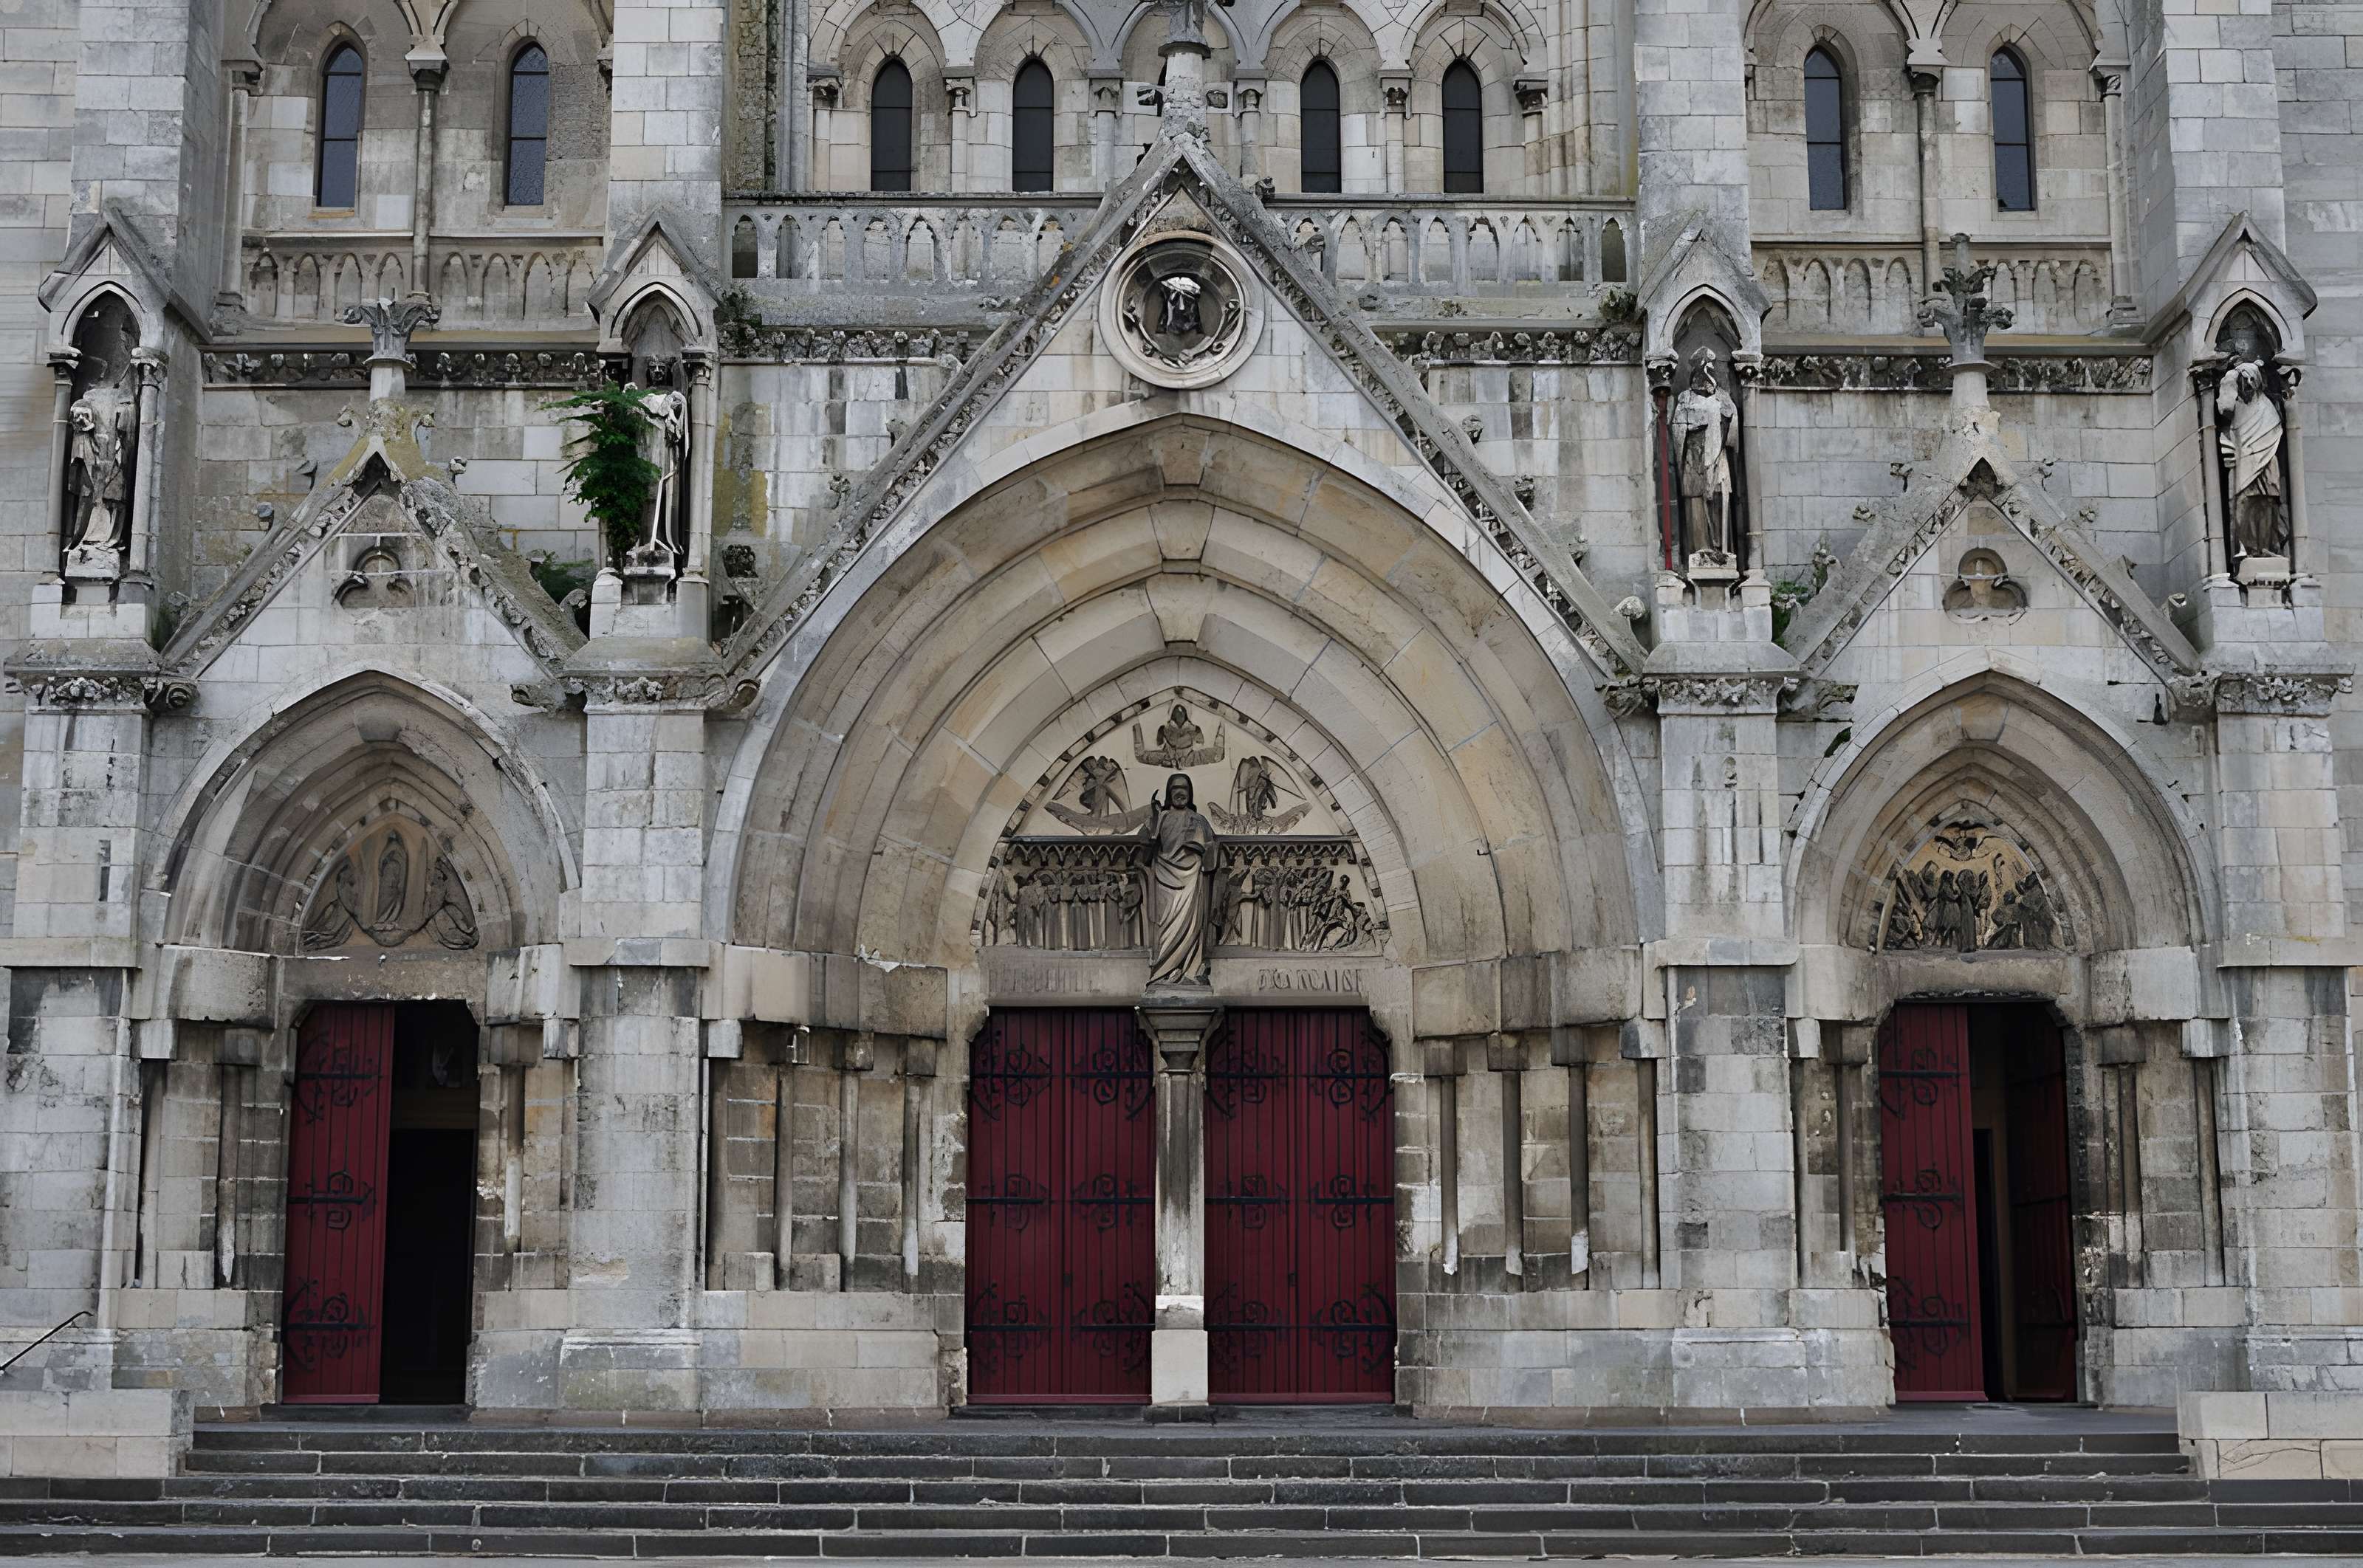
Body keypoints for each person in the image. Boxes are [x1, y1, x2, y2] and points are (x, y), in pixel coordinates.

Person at [1141, 772, 1218, 986]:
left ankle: (1189, 972)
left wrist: (1205, 848)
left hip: (1192, 882)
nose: (1180, 792)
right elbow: (1144, 855)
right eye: (1175, 788)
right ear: (1169, 792)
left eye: (1184, 788)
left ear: (1190, 792)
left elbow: (1211, 857)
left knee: (1192, 927)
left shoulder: (1200, 820)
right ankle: (1162, 974)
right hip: (1164, 882)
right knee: (1166, 930)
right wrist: (1154, 831)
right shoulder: (1159, 818)